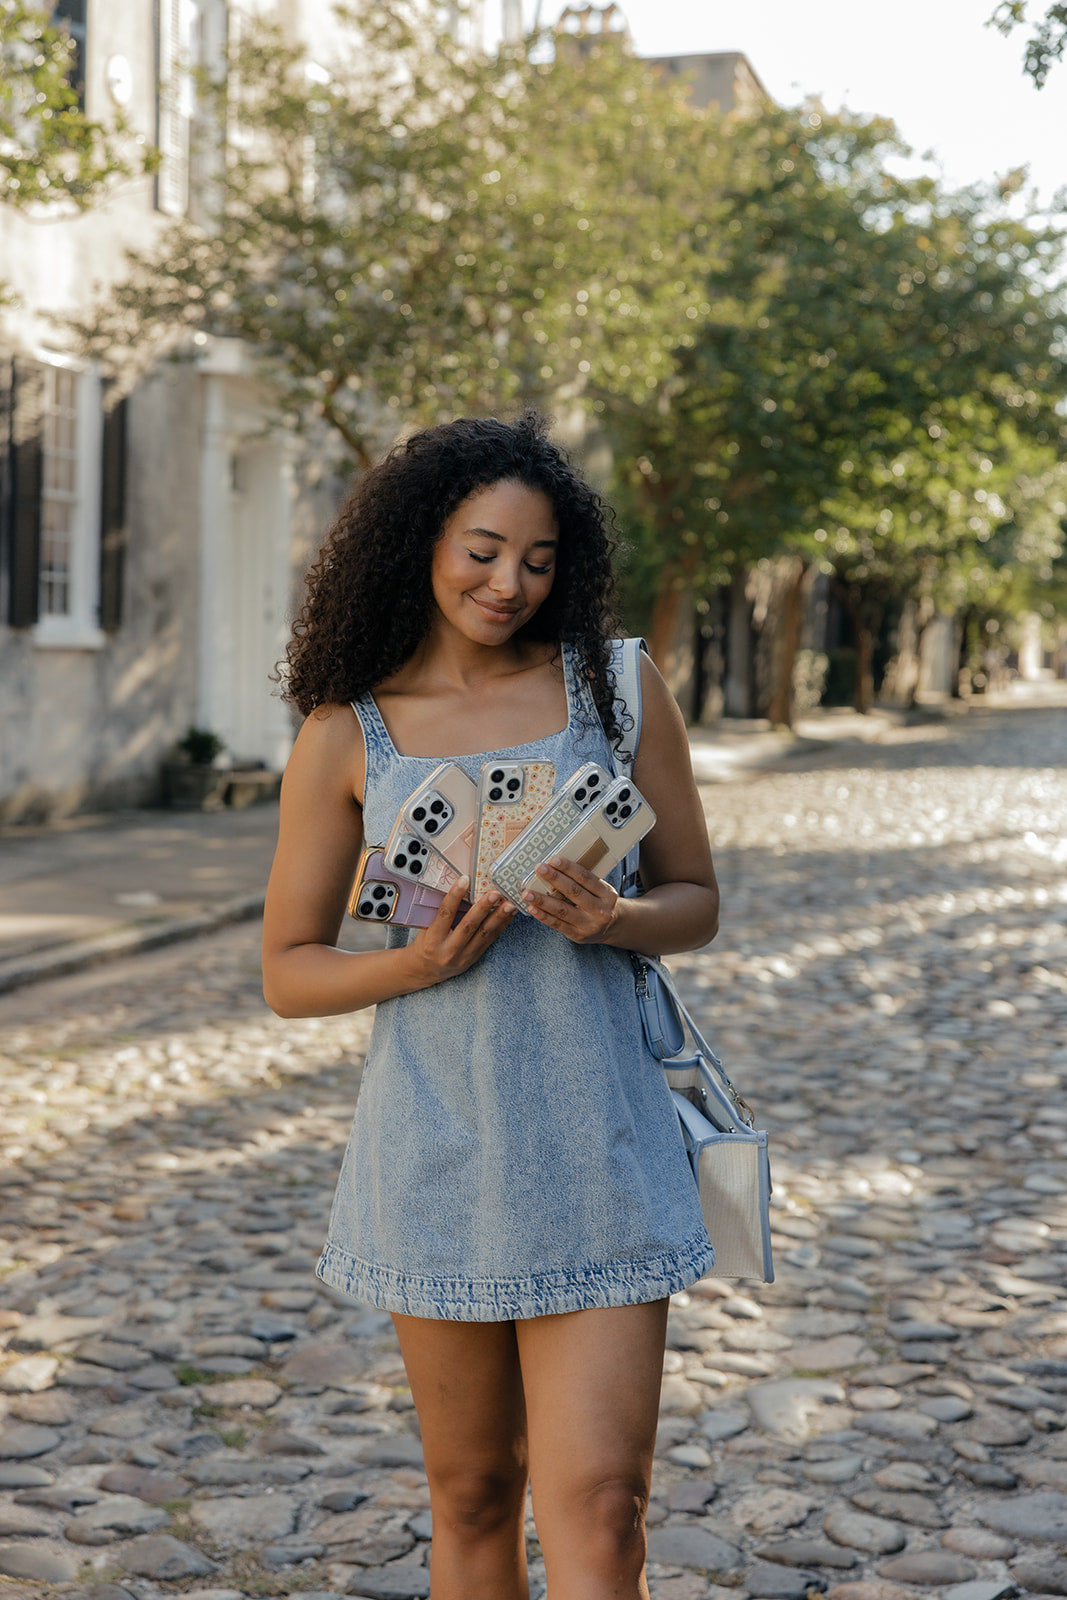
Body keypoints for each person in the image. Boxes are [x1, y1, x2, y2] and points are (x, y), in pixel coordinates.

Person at [262, 412, 720, 1600]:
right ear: (421, 540)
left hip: (598, 1146)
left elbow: (697, 899)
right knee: (470, 1498)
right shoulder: (343, 734)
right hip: (435, 1153)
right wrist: (407, 968)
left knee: (604, 1511)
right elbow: (288, 968)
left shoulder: (614, 690)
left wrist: (613, 920)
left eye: (538, 557)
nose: (508, 581)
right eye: (481, 548)